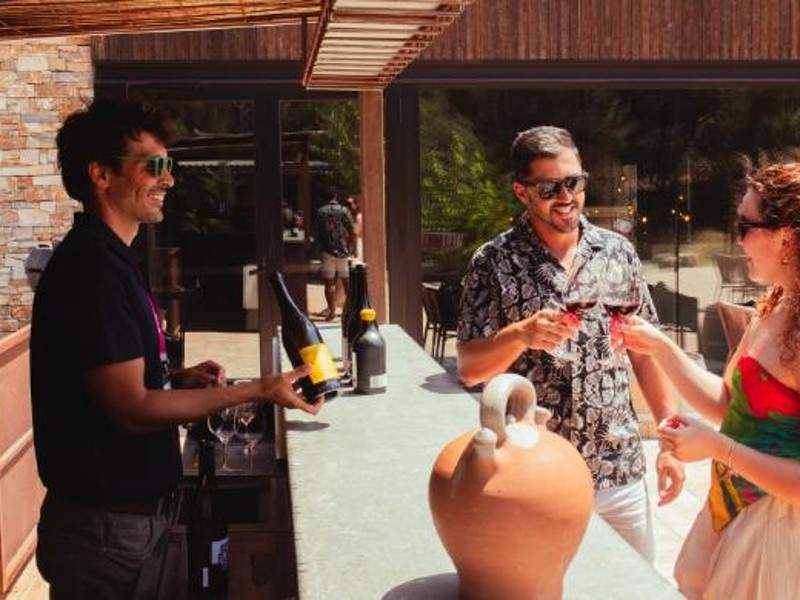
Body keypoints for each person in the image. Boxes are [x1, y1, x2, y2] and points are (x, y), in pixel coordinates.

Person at [30, 99, 322, 599]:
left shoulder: (112, 259)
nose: (169, 179)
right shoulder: (93, 271)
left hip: (125, 526)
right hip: (106, 535)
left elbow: (121, 387)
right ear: (101, 175)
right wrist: (259, 390)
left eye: (171, 166)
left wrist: (176, 380)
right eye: (155, 166)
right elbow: (133, 410)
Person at [457, 125, 684, 562]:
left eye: (574, 182)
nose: (566, 197)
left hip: (617, 466)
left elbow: (645, 351)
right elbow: (469, 367)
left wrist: (671, 443)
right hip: (532, 471)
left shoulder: (618, 253)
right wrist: (520, 334)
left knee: (632, 590)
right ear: (521, 192)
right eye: (549, 187)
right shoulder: (494, 261)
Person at [622, 162, 800, 599]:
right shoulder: (775, 305)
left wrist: (718, 447)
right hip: (732, 505)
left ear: (786, 237)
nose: (736, 238)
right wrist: (659, 347)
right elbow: (726, 403)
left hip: (777, 530)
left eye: (746, 225)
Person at [315, 193, 355, 320]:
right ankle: (349, 312)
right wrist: (351, 247)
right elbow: (352, 229)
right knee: (346, 283)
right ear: (336, 198)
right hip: (343, 251)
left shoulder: (320, 211)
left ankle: (331, 312)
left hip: (327, 251)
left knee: (329, 284)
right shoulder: (344, 210)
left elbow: (317, 231)